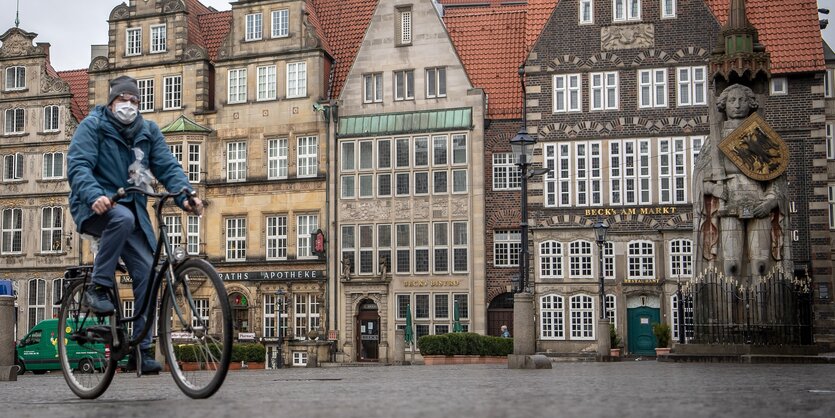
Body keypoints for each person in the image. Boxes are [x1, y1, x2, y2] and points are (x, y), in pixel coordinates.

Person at [67, 75, 203, 373]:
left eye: (134, 101)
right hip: (96, 206)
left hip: (133, 214)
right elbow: (78, 166)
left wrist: (186, 196)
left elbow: (167, 166)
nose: (128, 105)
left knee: (148, 275)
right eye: (122, 100)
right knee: (121, 217)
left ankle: (141, 350)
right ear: (111, 101)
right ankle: (99, 288)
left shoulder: (148, 131)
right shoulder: (93, 126)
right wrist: (94, 196)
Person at [693, 83, 786, 278]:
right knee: (731, 265)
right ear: (724, 105)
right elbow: (700, 179)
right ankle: (726, 308)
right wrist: (714, 189)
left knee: (761, 265)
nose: (737, 105)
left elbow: (776, 175)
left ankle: (762, 308)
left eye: (742, 100)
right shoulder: (715, 140)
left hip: (759, 201)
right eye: (732, 100)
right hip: (729, 202)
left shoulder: (760, 136)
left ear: (750, 103)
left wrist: (770, 202)